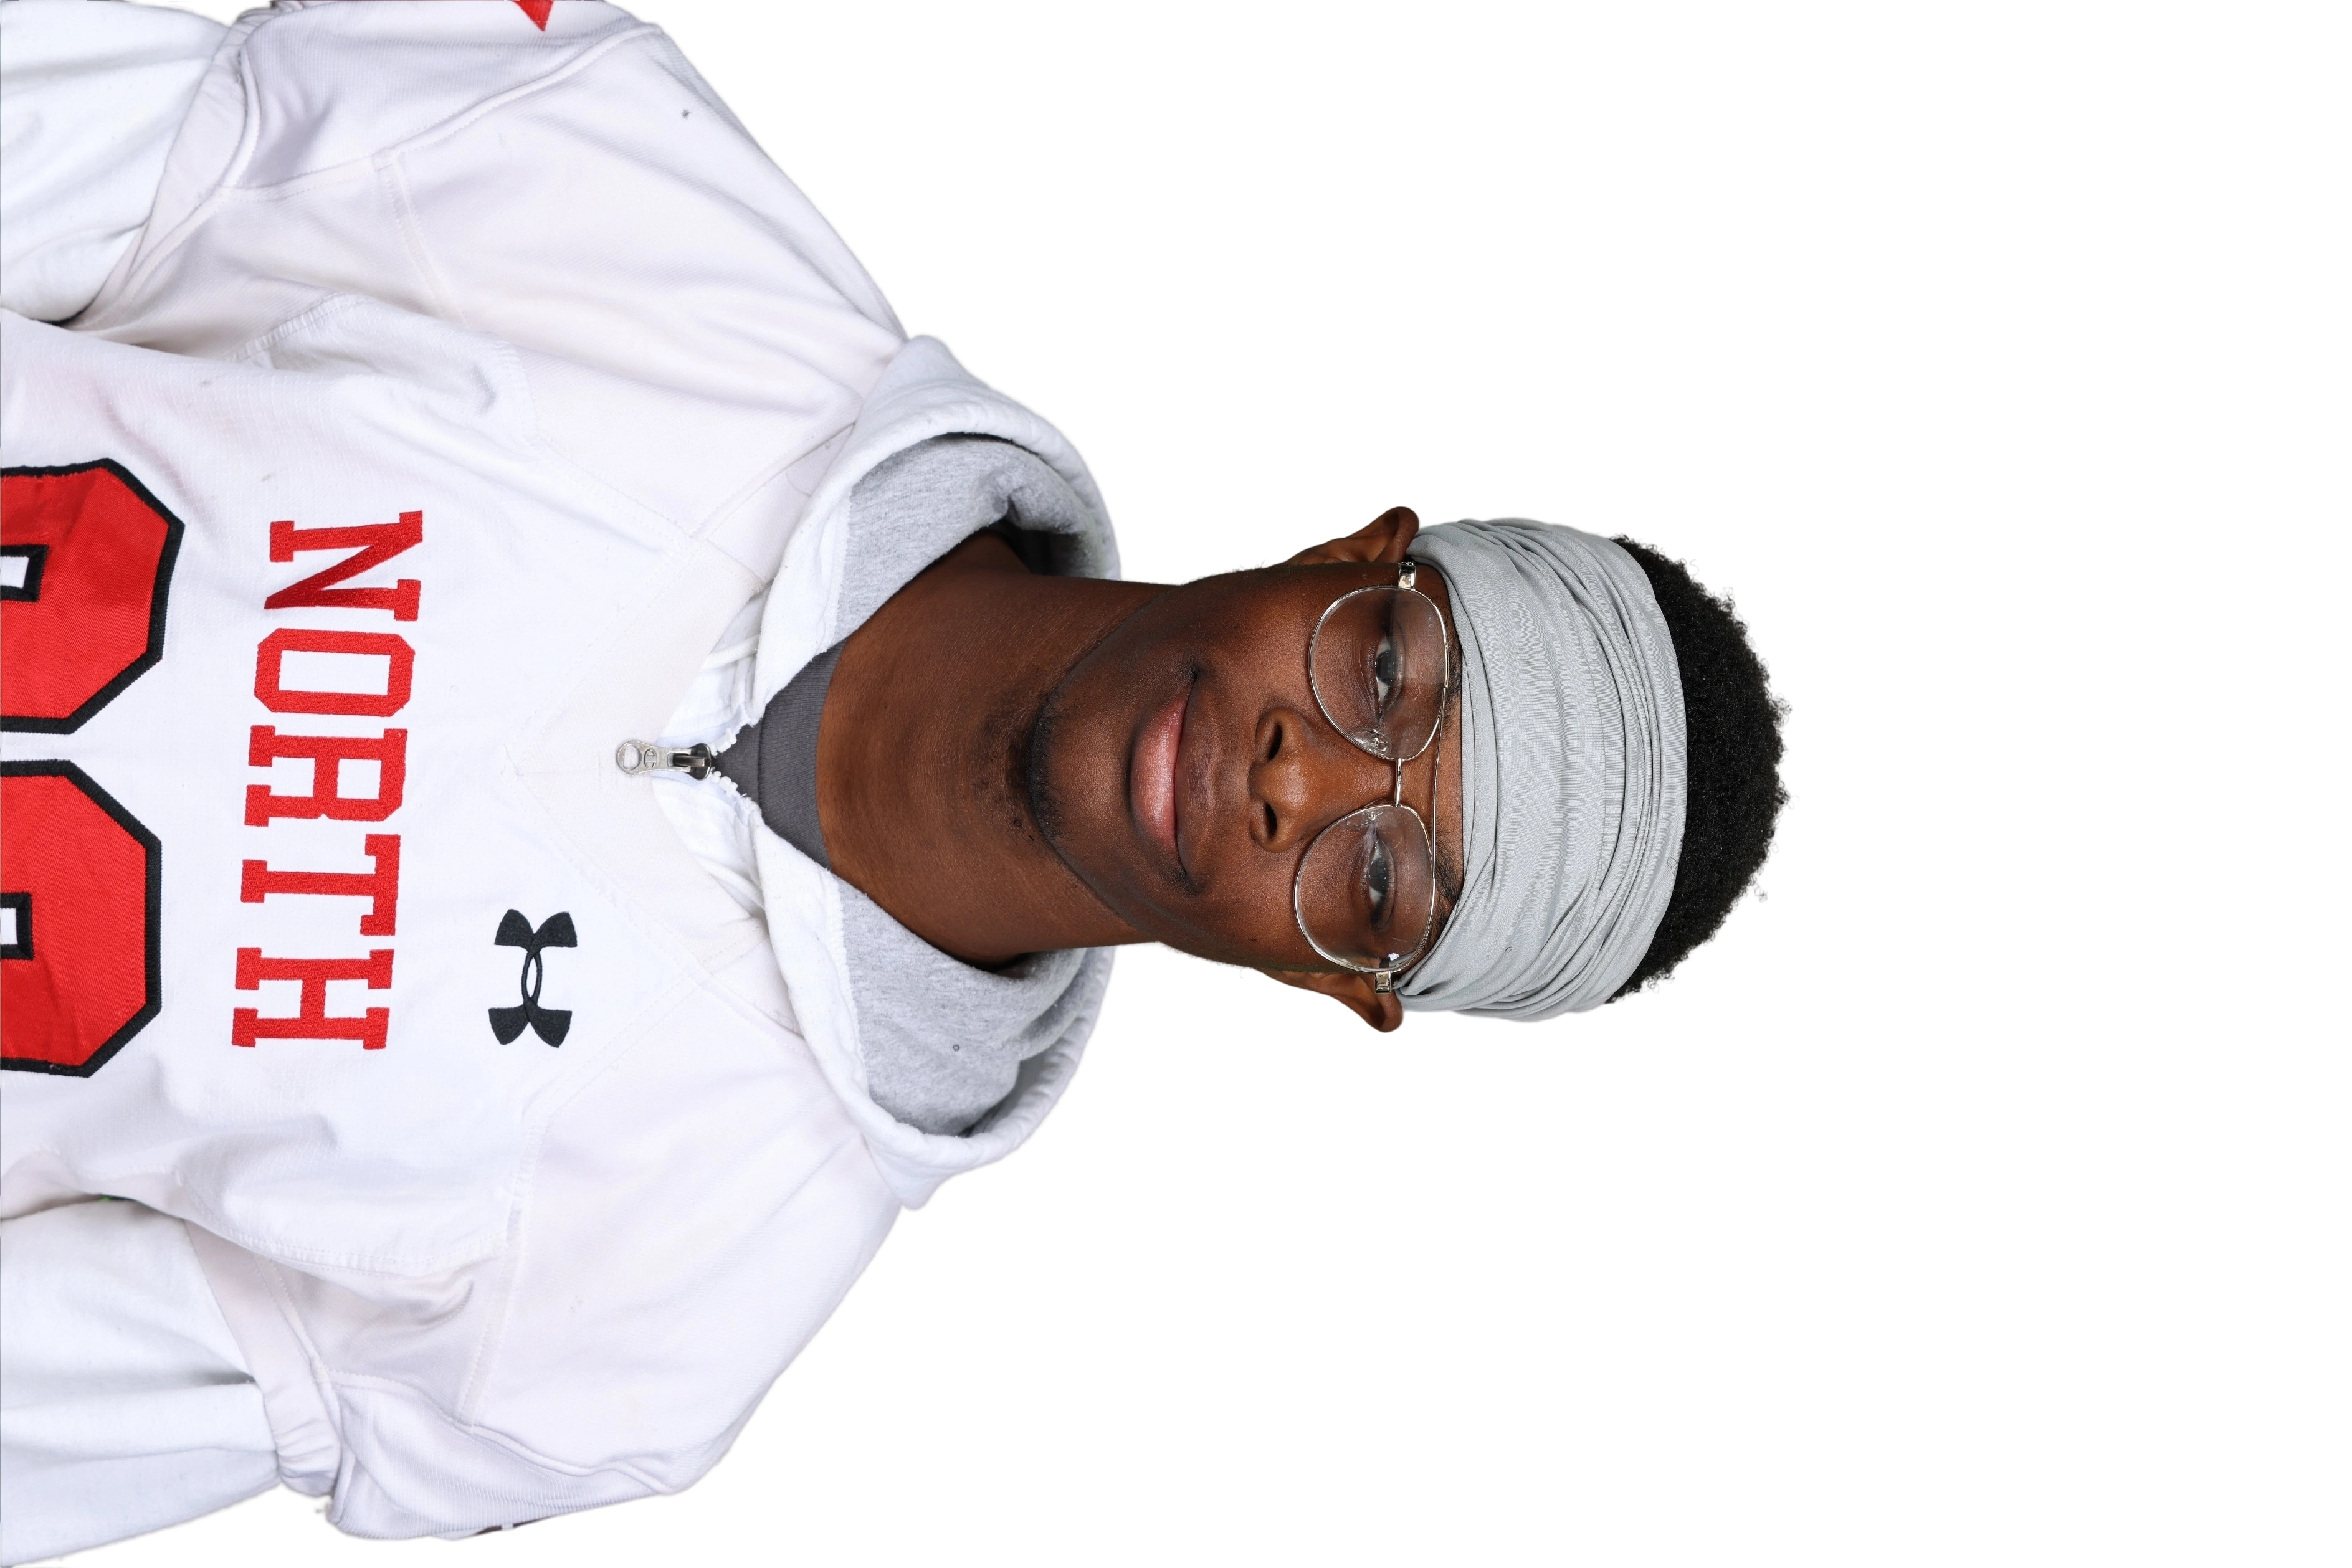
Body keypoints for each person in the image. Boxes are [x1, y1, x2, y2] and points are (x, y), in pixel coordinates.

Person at [0, 1, 1797, 1559]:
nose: (1295, 781)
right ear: (1357, 547)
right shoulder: (624, 189)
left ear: (1348, 986)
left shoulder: (637, 1331)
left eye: (1382, 875)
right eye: (1384, 674)